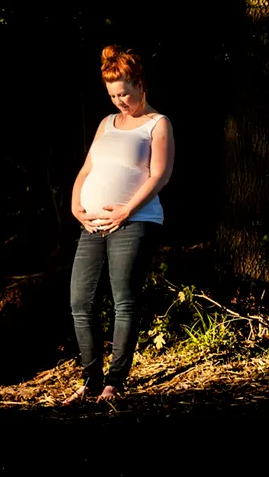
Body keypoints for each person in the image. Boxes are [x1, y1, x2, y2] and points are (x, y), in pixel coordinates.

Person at [62, 44, 174, 404]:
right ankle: (90, 379)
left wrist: (126, 211)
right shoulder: (106, 123)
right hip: (92, 223)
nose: (119, 101)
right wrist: (76, 206)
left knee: (124, 301)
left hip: (134, 221)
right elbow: (87, 169)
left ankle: (115, 381)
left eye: (124, 93)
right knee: (80, 302)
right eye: (113, 95)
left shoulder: (157, 123)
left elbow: (160, 175)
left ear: (140, 84)